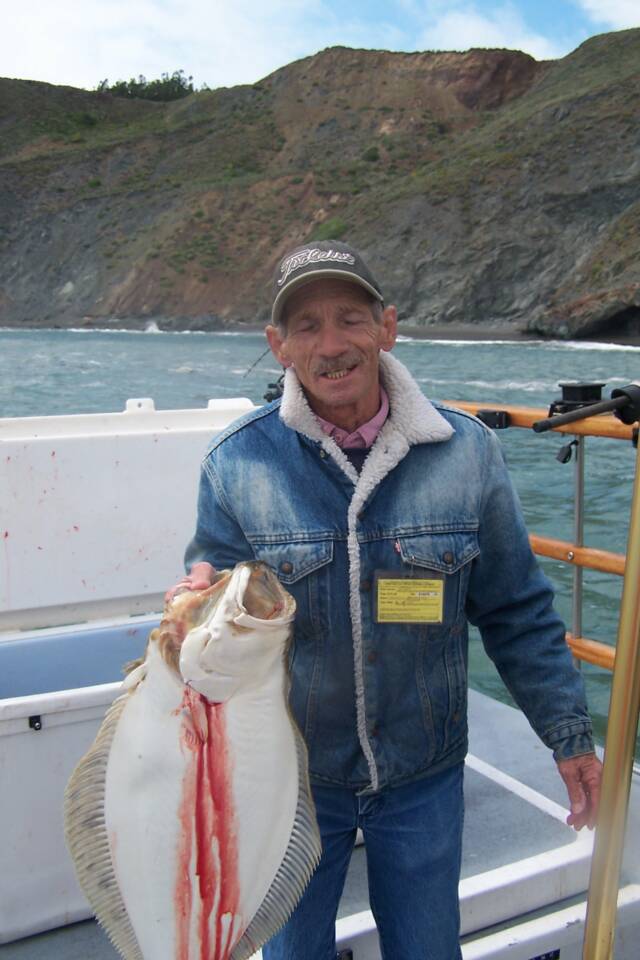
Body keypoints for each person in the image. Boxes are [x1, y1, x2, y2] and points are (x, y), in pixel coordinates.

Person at [170, 240, 602, 960]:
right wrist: (193, 607)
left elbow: (516, 611)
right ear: (277, 346)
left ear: (388, 327)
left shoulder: (467, 454)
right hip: (292, 778)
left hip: (423, 773)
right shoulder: (236, 462)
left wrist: (567, 734)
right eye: (306, 326)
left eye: (350, 318)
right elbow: (212, 603)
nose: (331, 344)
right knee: (291, 949)